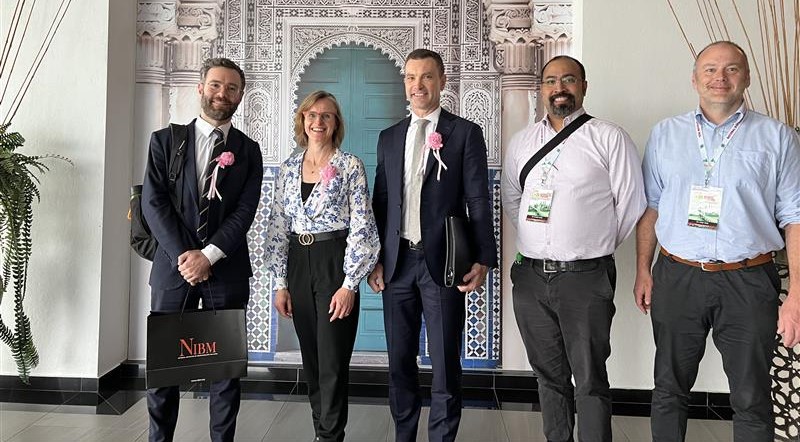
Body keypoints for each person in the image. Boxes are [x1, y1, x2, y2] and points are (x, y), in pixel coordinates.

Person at [634, 40, 800, 442]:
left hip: (749, 279)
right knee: (669, 389)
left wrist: (795, 294)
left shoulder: (778, 137)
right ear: (694, 79)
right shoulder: (666, 134)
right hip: (677, 275)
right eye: (709, 69)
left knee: (751, 395)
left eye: (730, 69)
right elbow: (652, 208)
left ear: (746, 77)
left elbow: (795, 217)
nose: (719, 78)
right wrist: (643, 268)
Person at [500, 55, 646, 442]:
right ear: (541, 88)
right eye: (550, 81)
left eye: (568, 79)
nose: (559, 87)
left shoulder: (609, 137)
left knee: (591, 378)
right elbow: (512, 199)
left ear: (583, 86)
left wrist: (589, 247)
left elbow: (631, 205)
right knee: (549, 376)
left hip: (585, 278)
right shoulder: (523, 141)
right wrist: (539, 239)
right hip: (531, 277)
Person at [367, 48, 497, 442]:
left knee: (443, 364)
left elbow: (478, 198)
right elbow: (381, 201)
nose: (417, 85)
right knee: (399, 364)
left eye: (426, 77)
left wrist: (484, 257)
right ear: (404, 83)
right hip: (397, 265)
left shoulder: (464, 133)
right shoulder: (389, 137)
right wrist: (375, 259)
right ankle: (403, 435)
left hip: (444, 264)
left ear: (441, 82)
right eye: (410, 77)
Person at [142, 58, 263, 442]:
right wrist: (186, 257)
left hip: (225, 271)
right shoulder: (165, 141)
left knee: (224, 371)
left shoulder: (248, 150)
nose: (221, 94)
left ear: (241, 95)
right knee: (164, 370)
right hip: (172, 270)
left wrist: (208, 255)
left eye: (231, 88)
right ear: (200, 87)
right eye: (215, 85)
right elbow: (153, 203)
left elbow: (245, 211)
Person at [265, 90, 379, 442]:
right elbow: (278, 224)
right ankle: (322, 431)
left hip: (335, 261)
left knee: (332, 359)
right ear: (302, 120)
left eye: (326, 116)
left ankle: (330, 436)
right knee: (312, 360)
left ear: (336, 124)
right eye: (312, 114)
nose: (318, 121)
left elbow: (362, 223)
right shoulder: (287, 168)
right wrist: (280, 282)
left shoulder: (350, 166)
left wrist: (349, 284)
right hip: (298, 263)